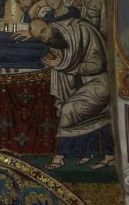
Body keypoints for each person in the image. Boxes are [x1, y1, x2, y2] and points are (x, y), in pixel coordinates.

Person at [25, 17, 112, 169]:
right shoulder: (56, 42)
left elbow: (96, 65)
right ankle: (98, 153)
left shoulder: (80, 29)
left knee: (68, 110)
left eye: (44, 31)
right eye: (41, 37)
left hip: (100, 83)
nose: (46, 37)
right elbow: (62, 66)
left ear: (50, 23)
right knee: (77, 109)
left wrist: (63, 65)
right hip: (83, 87)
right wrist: (58, 64)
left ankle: (60, 156)